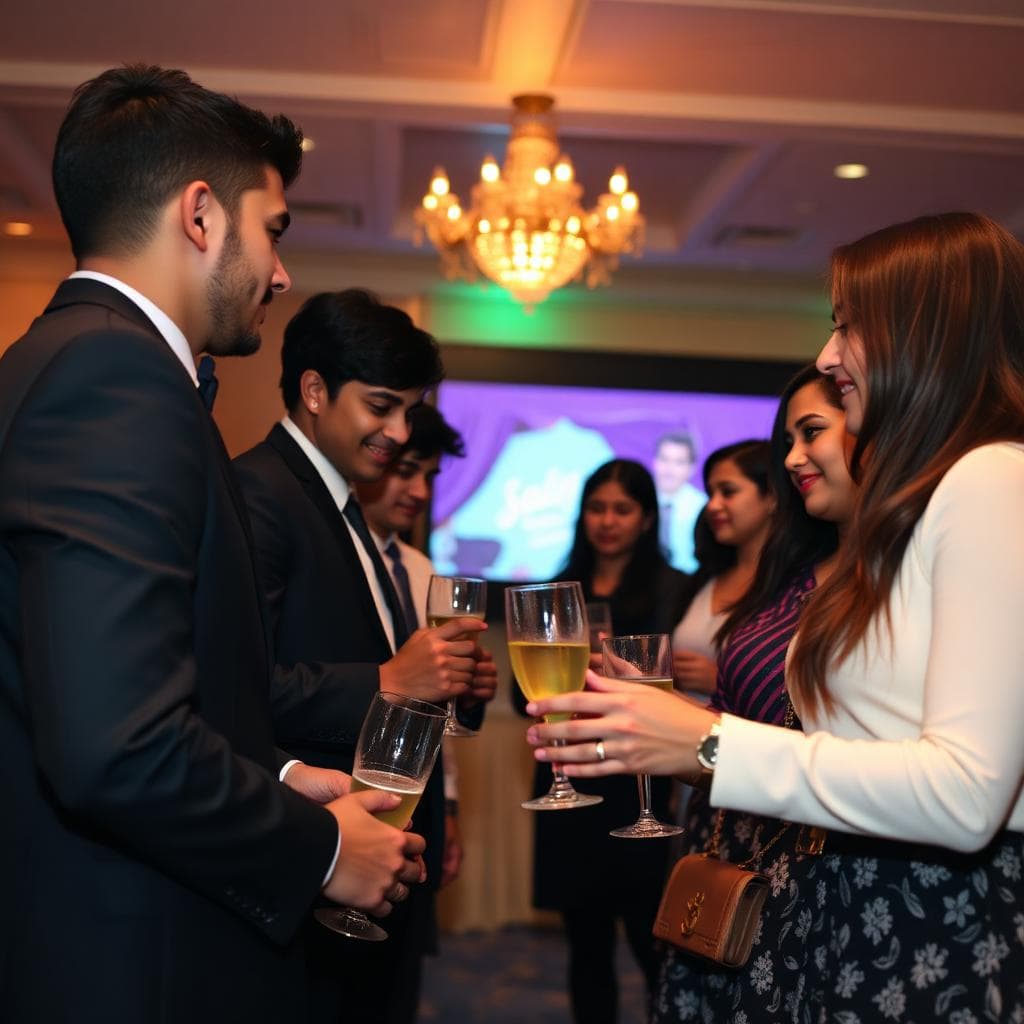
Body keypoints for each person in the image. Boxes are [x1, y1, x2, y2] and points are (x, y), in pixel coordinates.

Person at [0, 66, 423, 1023]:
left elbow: (80, 680)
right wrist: (321, 850)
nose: (280, 272)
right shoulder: (116, 378)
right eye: (272, 228)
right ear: (201, 216)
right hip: (127, 957)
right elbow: (115, 747)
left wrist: (273, 773)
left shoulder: (59, 360)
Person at [527, 212, 1024, 1020]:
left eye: (847, 327)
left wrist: (708, 742)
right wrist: (670, 728)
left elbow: (967, 797)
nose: (829, 357)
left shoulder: (991, 478)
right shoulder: (926, 503)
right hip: (852, 899)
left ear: (926, 333)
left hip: (922, 918)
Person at [233, 289, 494, 1024]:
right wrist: (383, 680)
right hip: (307, 846)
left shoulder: (335, 501)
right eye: (381, 405)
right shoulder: (263, 492)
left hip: (368, 850)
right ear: (314, 390)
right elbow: (236, 688)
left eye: (409, 410)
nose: (397, 431)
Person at [655, 364, 857, 1021]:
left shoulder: (889, 577)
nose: (796, 457)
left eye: (813, 431)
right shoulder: (791, 573)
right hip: (729, 832)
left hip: (812, 863)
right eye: (788, 440)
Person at [515, 459, 693, 1024]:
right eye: (597, 507)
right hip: (571, 768)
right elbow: (528, 696)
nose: (608, 521)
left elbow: (677, 685)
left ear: (646, 519)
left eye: (622, 509)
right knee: (584, 938)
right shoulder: (561, 584)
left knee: (650, 932)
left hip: (637, 772)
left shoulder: (676, 589)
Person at [357, 403, 497, 891]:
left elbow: (436, 704)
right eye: (406, 471)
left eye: (429, 476)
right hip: (355, 790)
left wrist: (469, 692)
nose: (420, 492)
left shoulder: (422, 569)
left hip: (422, 792)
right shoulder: (340, 556)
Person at [671, 440, 775, 698]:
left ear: (773, 497)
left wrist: (722, 682)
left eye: (727, 492)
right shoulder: (705, 578)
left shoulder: (796, 588)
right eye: (710, 494)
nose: (713, 505)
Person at [652, 431, 705, 573]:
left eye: (679, 462)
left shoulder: (702, 506)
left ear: (692, 468)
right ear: (655, 461)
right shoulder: (638, 500)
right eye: (664, 459)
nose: (670, 469)